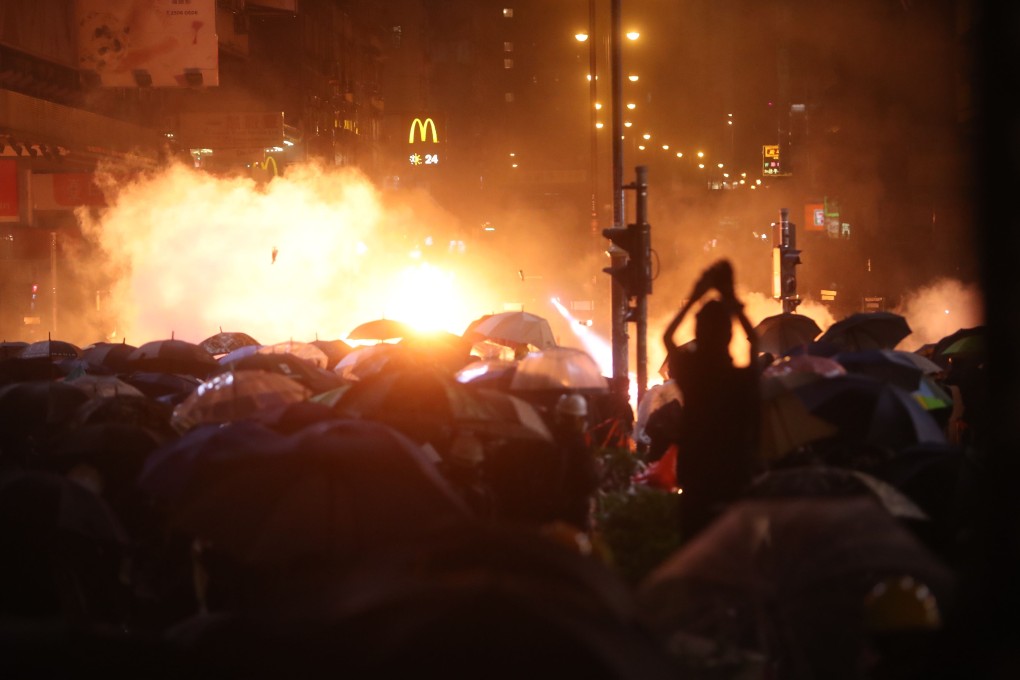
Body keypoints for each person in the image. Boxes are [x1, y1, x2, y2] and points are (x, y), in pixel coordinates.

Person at [663, 259, 760, 538]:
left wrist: (696, 295)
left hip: (696, 473)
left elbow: (668, 337)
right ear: (729, 336)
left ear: (697, 334)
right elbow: (756, 342)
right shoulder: (740, 379)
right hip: (734, 476)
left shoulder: (692, 375)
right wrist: (731, 300)